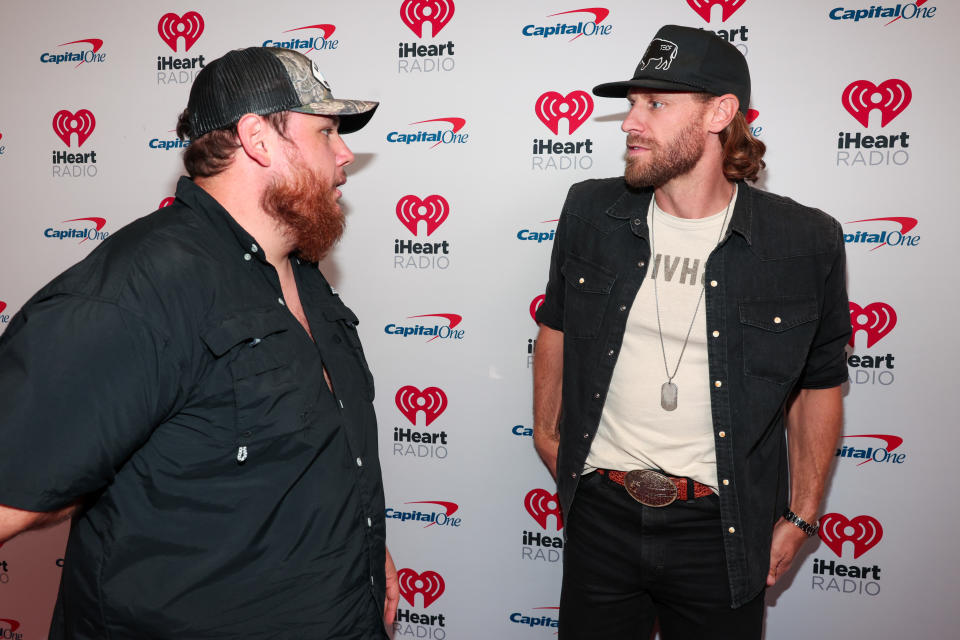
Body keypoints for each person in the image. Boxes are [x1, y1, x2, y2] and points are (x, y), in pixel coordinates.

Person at [0, 47, 398, 638]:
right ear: (259, 139)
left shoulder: (303, 275)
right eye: (327, 132)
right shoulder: (139, 290)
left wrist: (367, 555)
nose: (345, 156)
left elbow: (302, 458)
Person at [533, 25, 850, 639]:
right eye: (631, 104)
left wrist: (805, 513)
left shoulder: (804, 242)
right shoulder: (589, 213)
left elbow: (820, 385)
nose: (630, 122)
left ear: (720, 113)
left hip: (723, 528)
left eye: (655, 104)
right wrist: (549, 437)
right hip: (601, 512)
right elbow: (556, 327)